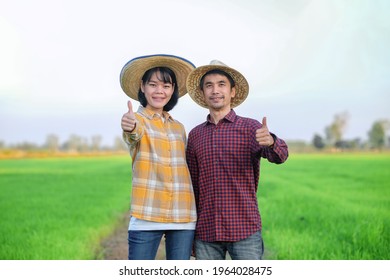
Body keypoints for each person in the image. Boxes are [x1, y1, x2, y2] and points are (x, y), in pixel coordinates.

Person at [185, 60, 289, 260]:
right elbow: (193, 186)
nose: (215, 90)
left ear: (232, 91)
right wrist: (191, 231)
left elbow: (281, 156)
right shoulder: (196, 135)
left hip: (244, 229)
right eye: (209, 85)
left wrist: (271, 142)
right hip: (206, 231)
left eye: (221, 84)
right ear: (203, 93)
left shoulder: (250, 128)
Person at [119, 54, 197, 260]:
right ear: (142, 86)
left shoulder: (178, 127)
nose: (159, 91)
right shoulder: (137, 120)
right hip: (147, 213)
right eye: (153, 84)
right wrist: (130, 125)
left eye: (166, 86)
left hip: (182, 215)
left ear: (173, 91)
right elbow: (133, 132)